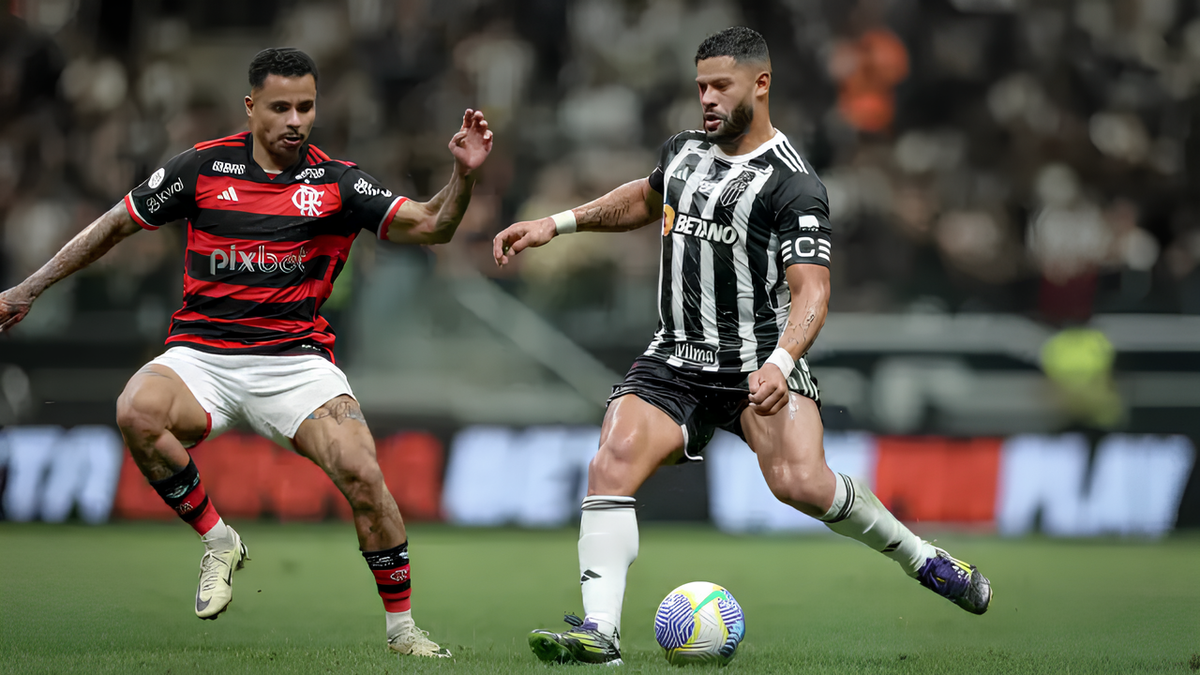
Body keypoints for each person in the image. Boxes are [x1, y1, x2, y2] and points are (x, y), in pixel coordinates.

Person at [493, 27, 990, 666]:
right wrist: (555, 224)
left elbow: (813, 291)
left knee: (801, 484)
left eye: (720, 86)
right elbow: (645, 199)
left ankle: (925, 560)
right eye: (700, 85)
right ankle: (601, 633)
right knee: (610, 462)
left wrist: (782, 362)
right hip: (675, 358)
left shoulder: (794, 184)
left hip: (759, 364)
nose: (706, 98)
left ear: (761, 84)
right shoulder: (683, 150)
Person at [0, 48, 493, 658]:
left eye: (306, 107)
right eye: (281, 107)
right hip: (201, 356)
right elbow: (114, 225)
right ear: (251, 107)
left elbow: (433, 226)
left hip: (296, 363)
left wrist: (464, 176)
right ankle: (218, 540)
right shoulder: (201, 169)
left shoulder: (337, 183)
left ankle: (402, 632)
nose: (295, 120)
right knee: (136, 411)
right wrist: (28, 288)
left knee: (366, 476)